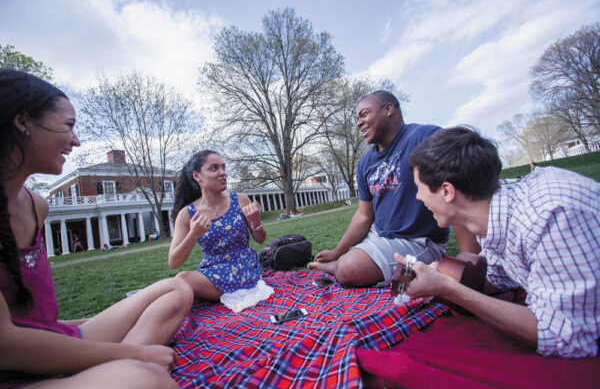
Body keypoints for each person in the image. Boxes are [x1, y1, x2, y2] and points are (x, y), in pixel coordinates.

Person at [0, 69, 194, 388]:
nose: (76, 140)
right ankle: (126, 363)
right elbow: (5, 346)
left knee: (177, 288)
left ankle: (112, 363)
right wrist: (132, 353)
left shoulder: (37, 205)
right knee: (146, 379)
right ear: (23, 123)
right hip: (14, 369)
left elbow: (34, 320)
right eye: (68, 126)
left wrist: (87, 329)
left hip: (54, 338)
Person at [401, 125, 600, 357]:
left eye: (420, 188)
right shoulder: (495, 216)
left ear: (447, 191)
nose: (418, 197)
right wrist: (438, 272)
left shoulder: (548, 217)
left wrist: (450, 289)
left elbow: (563, 336)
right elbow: (498, 277)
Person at [308, 90, 477, 287]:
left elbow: (458, 187)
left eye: (364, 114)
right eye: (357, 118)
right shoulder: (365, 163)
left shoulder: (424, 137)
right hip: (379, 236)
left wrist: (469, 257)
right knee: (349, 262)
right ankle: (342, 263)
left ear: (388, 109)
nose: (358, 123)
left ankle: (340, 268)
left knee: (349, 269)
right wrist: (338, 251)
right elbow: (364, 215)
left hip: (419, 241)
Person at [168, 150, 266, 301]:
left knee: (181, 280)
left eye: (223, 168)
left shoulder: (240, 199)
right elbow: (174, 262)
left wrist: (255, 221)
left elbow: (260, 239)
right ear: (197, 176)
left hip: (244, 267)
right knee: (177, 287)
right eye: (214, 168)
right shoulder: (187, 214)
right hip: (212, 270)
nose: (223, 173)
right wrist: (193, 235)